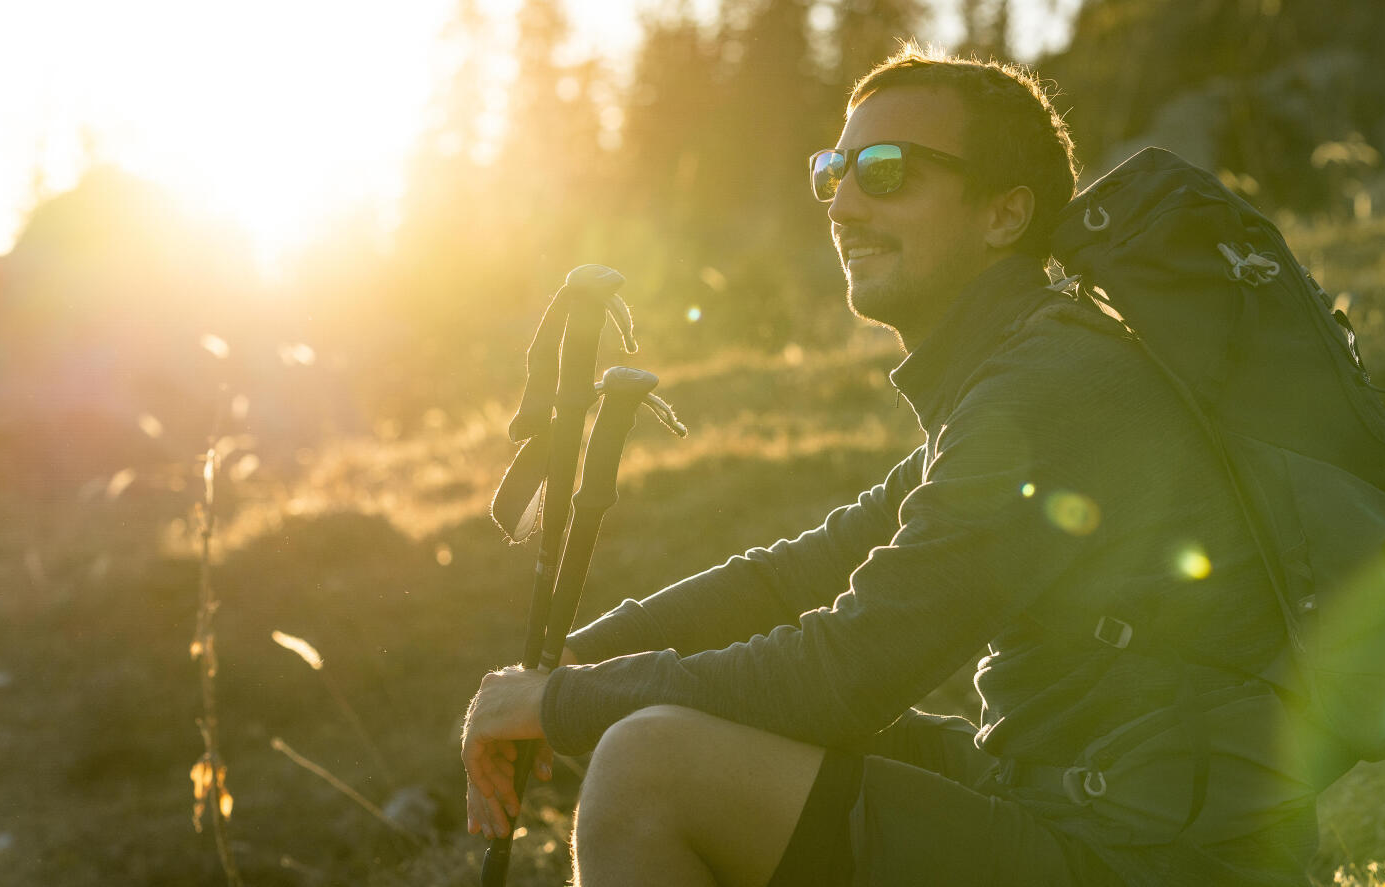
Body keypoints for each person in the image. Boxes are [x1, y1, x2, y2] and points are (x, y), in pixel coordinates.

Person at [462, 47, 1322, 886]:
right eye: (832, 170)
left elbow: (850, 671)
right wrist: (559, 664)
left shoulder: (1049, 388)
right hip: (1082, 792)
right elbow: (796, 574)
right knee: (669, 717)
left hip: (1153, 852)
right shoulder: (1028, 367)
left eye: (884, 171)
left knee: (650, 766)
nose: (841, 204)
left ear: (1004, 215)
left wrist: (564, 703)